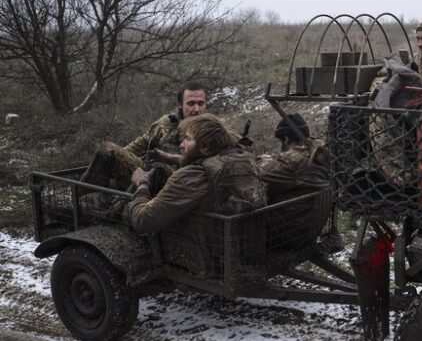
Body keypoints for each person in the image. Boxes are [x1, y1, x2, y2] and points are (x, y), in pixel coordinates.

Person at [124, 114, 266, 234]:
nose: (181, 145)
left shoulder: (191, 176)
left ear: (205, 147)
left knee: (132, 208)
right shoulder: (245, 159)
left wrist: (142, 185)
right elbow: (209, 162)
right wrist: (169, 158)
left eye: (188, 139)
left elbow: (143, 222)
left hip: (200, 255)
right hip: (241, 244)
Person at [81, 81, 209, 193]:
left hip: (179, 185)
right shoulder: (167, 124)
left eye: (201, 103)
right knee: (108, 151)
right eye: (191, 103)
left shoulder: (212, 131)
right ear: (181, 105)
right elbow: (137, 146)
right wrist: (118, 160)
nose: (197, 109)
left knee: (109, 150)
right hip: (150, 176)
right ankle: (80, 201)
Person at [257, 114, 330, 201]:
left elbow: (259, 178)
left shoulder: (292, 161)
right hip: (319, 210)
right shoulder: (320, 151)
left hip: (292, 213)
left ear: (286, 138)